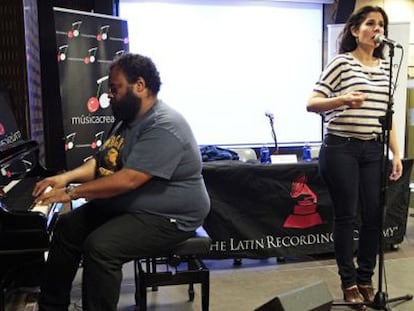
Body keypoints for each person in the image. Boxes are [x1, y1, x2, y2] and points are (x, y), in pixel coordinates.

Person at [32, 53, 211, 311]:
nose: (110, 95)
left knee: (101, 248)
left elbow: (128, 180)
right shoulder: (126, 121)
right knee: (67, 226)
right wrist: (64, 177)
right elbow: (103, 162)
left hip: (171, 216)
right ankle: (51, 306)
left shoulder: (164, 125)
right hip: (134, 206)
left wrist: (71, 193)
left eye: (115, 88)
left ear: (140, 85)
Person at [306, 5, 402, 310]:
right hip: (341, 147)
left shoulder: (387, 69)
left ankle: (366, 279)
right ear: (354, 30)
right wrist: (343, 100)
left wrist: (396, 153)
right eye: (370, 24)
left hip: (373, 149)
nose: (377, 30)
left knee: (374, 216)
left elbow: (388, 117)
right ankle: (348, 283)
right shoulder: (341, 64)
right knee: (347, 215)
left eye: (381, 25)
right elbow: (312, 103)